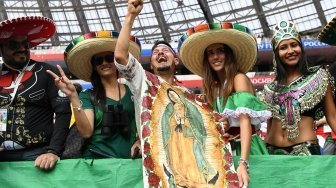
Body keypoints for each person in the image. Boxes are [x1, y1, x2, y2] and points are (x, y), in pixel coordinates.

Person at [114, 0, 241, 187]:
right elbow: (120, 56)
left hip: (192, 165)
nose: (160, 53)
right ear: (151, 63)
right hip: (164, 161)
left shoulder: (191, 96)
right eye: (156, 52)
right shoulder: (144, 82)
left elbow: (204, 127)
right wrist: (130, 16)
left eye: (165, 50)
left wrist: (220, 124)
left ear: (176, 60)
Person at [178, 21, 271, 186]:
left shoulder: (239, 78)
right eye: (210, 53)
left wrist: (243, 163)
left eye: (220, 51)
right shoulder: (212, 88)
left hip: (247, 151)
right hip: (224, 152)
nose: (215, 57)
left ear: (228, 54)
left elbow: (245, 123)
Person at [47, 30, 141, 159]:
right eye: (98, 60)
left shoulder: (134, 92)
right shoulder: (87, 95)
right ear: (94, 67)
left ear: (116, 61)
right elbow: (86, 132)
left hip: (129, 162)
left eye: (109, 58)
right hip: (96, 163)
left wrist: (140, 141)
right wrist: (73, 96)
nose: (104, 63)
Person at [0, 16, 71, 170]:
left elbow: (63, 113)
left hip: (38, 155)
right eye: (13, 45)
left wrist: (53, 151)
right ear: (1, 48)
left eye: (25, 44)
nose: (22, 48)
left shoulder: (47, 72)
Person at [262, 20, 336, 155]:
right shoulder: (270, 88)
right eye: (283, 47)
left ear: (301, 48)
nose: (290, 51)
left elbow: (332, 117)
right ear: (276, 54)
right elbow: (270, 125)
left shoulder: (319, 76)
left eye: (294, 45)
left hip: (305, 152)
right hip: (272, 153)